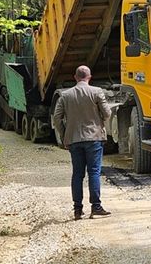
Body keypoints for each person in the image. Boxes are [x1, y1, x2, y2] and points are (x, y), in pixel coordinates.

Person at [52, 65, 112, 221]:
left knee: (77, 174)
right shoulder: (96, 92)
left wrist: (65, 134)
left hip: (74, 140)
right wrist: (98, 121)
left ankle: (77, 210)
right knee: (94, 172)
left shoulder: (65, 95)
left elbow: (56, 118)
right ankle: (96, 207)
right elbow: (107, 113)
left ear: (75, 77)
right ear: (89, 77)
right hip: (94, 138)